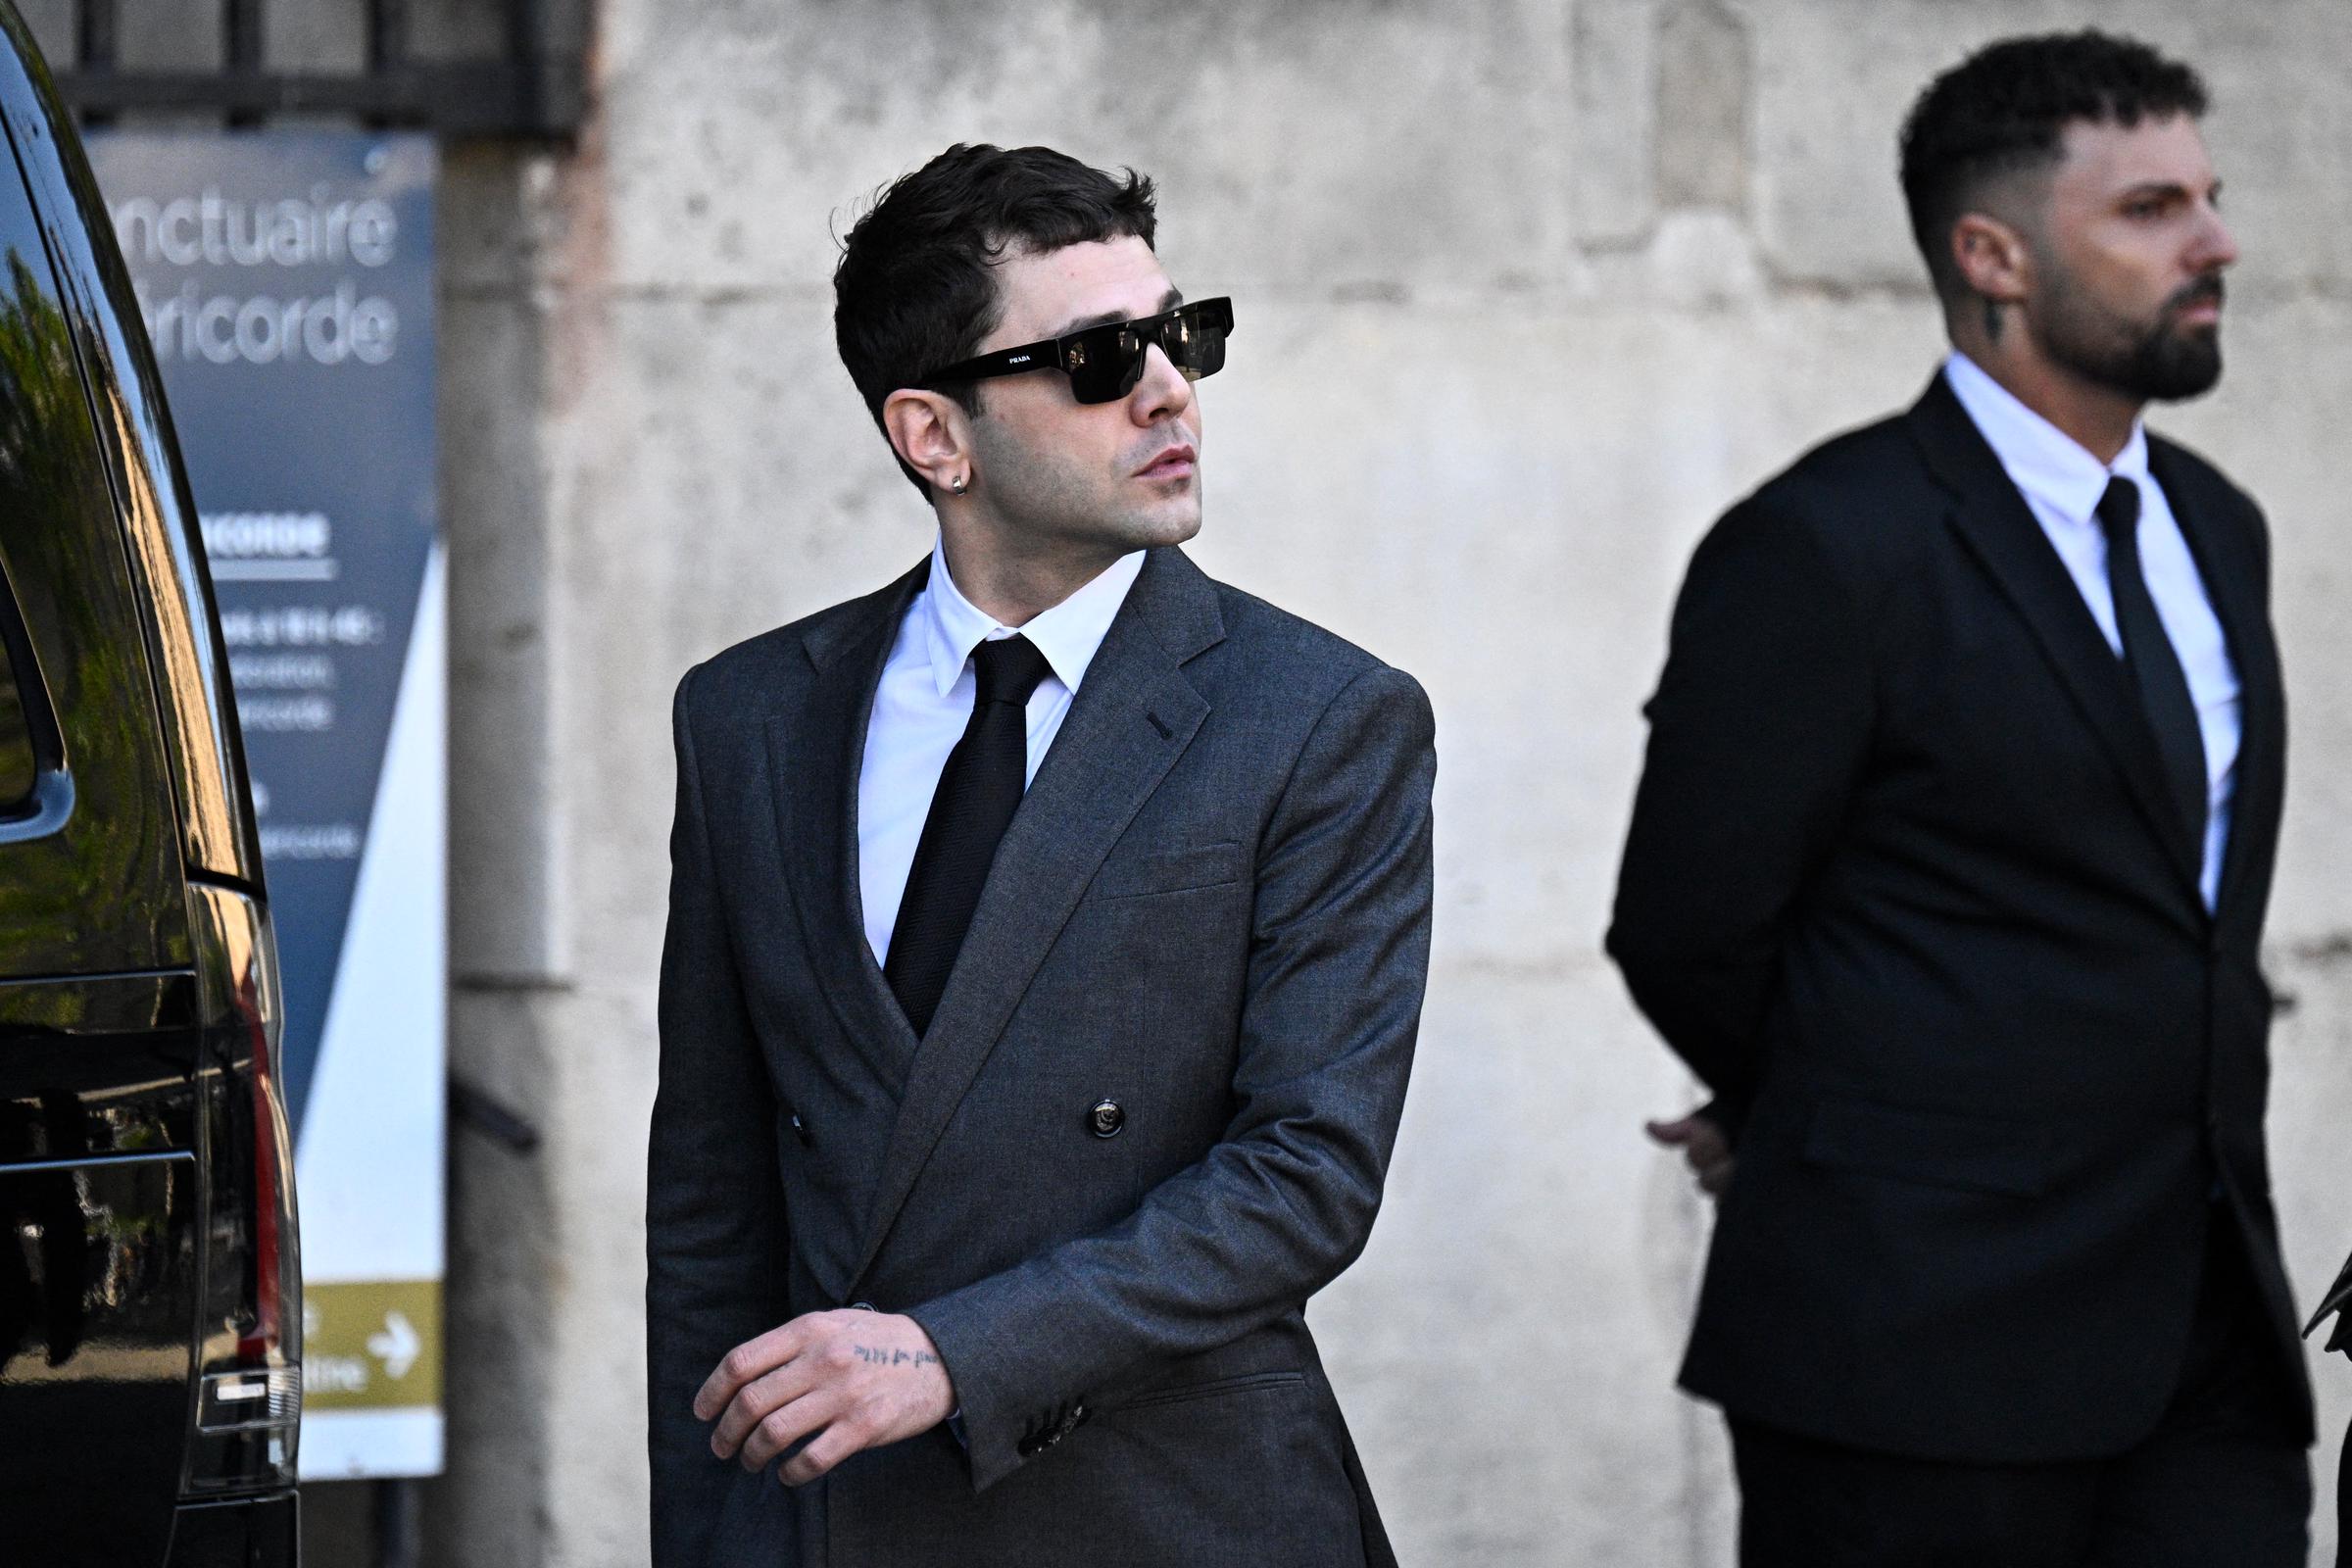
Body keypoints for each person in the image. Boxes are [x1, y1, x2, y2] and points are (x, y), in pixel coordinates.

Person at [644, 142, 1433, 1568]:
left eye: (1181, 337)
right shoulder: (751, 718)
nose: (1166, 388)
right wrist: (714, 1536)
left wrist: (951, 1353)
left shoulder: (1320, 717)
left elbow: (1306, 1172)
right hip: (843, 1527)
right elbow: (713, 1191)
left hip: (1176, 1510)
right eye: (1093, 357)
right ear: (932, 436)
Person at [1608, 31, 2312, 1566]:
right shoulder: (1821, 546)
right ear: (1990, 255)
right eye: (2149, 209)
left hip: (2209, 1348)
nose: (2217, 241)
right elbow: (1686, 925)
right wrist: (1833, 1111)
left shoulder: (2216, 525)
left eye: (2209, 193)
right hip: (1911, 1360)